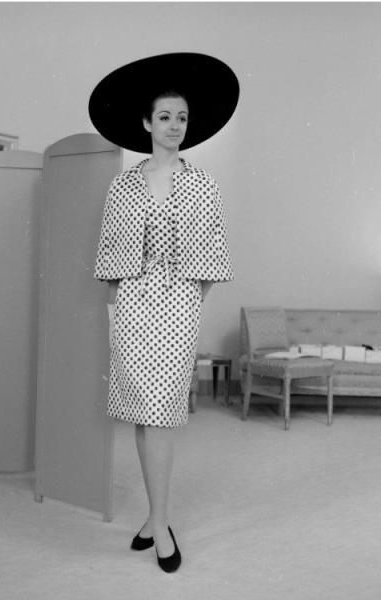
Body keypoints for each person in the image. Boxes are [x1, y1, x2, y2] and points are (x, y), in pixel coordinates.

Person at [90, 53, 239, 573]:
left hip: (178, 307)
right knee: (141, 410)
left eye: (182, 118)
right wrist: (115, 313)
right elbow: (110, 253)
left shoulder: (202, 184)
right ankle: (156, 520)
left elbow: (208, 259)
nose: (175, 126)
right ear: (147, 123)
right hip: (131, 305)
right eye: (166, 117)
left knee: (161, 414)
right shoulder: (123, 184)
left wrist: (188, 312)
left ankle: (160, 523)